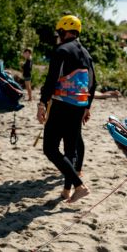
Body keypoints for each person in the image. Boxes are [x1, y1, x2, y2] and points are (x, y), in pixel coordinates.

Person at [37, 15, 94, 203]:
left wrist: (42, 103)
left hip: (61, 106)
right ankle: (66, 191)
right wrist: (87, 106)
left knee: (50, 149)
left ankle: (79, 185)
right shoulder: (86, 53)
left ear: (63, 31)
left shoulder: (61, 50)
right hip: (78, 106)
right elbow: (93, 83)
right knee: (70, 149)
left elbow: (52, 79)